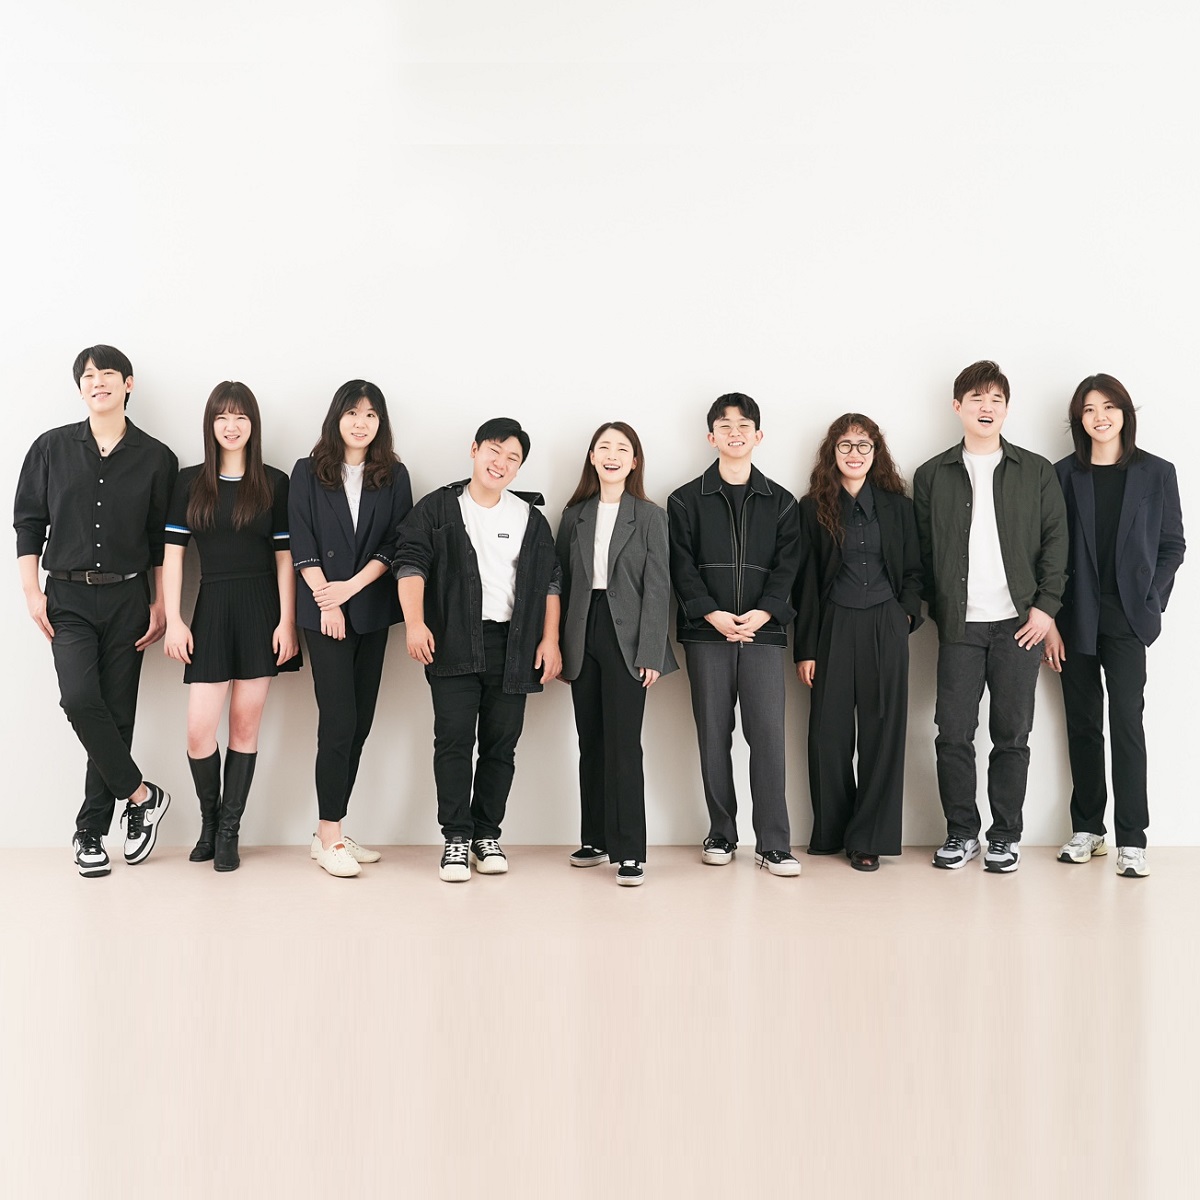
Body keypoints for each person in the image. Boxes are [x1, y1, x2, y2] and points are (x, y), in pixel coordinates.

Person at [14, 344, 177, 877]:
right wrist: (31, 593)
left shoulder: (157, 458)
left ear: (128, 384)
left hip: (129, 597)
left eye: (108, 372)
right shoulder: (50, 448)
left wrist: (160, 602)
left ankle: (90, 833)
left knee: (118, 713)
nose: (97, 381)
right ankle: (143, 795)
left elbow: (160, 540)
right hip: (67, 598)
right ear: (79, 387)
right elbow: (28, 524)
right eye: (88, 375)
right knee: (81, 699)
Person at [914, 360, 1068, 873]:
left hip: (1020, 626)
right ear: (957, 406)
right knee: (952, 733)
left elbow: (1056, 544)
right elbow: (921, 552)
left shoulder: (1036, 471)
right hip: (960, 626)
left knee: (1012, 735)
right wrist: (940, 609)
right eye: (977, 398)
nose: (987, 407)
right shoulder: (932, 474)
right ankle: (962, 833)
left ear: (1006, 408)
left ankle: (1005, 836)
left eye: (996, 399)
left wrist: (1045, 610)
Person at [395, 418, 562, 883]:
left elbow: (551, 580)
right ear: (474, 450)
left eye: (513, 458)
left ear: (519, 467)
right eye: (494, 450)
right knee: (453, 740)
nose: (501, 463)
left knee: (500, 746)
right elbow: (410, 564)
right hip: (451, 641)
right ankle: (456, 837)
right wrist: (414, 624)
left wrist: (550, 639)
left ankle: (487, 834)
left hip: (514, 645)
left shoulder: (529, 517)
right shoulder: (438, 508)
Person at [1041, 374, 1185, 878]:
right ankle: (1088, 829)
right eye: (1088, 409)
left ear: (1125, 413)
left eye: (1108, 407)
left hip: (1127, 617)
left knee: (1126, 723)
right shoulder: (1062, 475)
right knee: (1082, 723)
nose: (1099, 417)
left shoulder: (1156, 472)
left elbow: (1172, 545)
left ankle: (1133, 839)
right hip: (1074, 615)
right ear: (1078, 420)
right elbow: (1048, 551)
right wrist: (1050, 620)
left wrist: (1150, 601)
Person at [162, 381, 301, 872]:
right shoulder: (189, 482)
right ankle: (208, 821)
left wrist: (287, 621)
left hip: (261, 609)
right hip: (212, 607)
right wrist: (175, 620)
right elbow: (173, 556)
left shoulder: (275, 482)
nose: (231, 425)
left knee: (245, 725)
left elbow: (285, 559)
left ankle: (228, 831)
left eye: (241, 417)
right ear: (211, 424)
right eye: (222, 416)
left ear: (253, 425)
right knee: (198, 731)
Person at [668, 393, 803, 876]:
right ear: (711, 437)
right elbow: (681, 566)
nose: (735, 432)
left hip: (763, 635)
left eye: (744, 425)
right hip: (707, 635)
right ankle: (721, 833)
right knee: (713, 735)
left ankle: (773, 843)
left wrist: (764, 614)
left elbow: (789, 569)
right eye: (725, 425)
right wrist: (711, 613)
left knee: (768, 737)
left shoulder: (783, 502)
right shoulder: (684, 500)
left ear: (758, 435)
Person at [289, 381, 412, 878]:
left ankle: (332, 828)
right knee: (338, 722)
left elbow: (396, 542)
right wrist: (328, 599)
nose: (361, 422)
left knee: (359, 724)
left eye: (370, 414)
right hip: (324, 612)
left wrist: (351, 589)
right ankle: (329, 836)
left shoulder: (394, 474)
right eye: (352, 412)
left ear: (381, 422)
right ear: (336, 417)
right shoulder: (307, 470)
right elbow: (301, 541)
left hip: (370, 609)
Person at [794, 414, 923, 871]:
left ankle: (868, 839)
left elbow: (914, 570)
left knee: (882, 732)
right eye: (845, 445)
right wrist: (806, 649)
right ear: (833, 452)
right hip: (833, 623)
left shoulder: (898, 507)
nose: (854, 453)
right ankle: (833, 830)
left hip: (886, 622)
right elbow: (805, 583)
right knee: (828, 735)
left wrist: (905, 615)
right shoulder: (812, 508)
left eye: (863, 445)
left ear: (876, 452)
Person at [556, 422, 678, 887]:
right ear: (592, 456)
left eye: (622, 448)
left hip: (628, 637)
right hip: (582, 632)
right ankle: (595, 839)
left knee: (624, 744)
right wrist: (561, 646)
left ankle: (629, 850)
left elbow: (659, 588)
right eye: (603, 447)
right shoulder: (574, 516)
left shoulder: (649, 516)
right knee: (590, 741)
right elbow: (562, 583)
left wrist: (651, 651)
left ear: (634, 461)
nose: (612, 455)